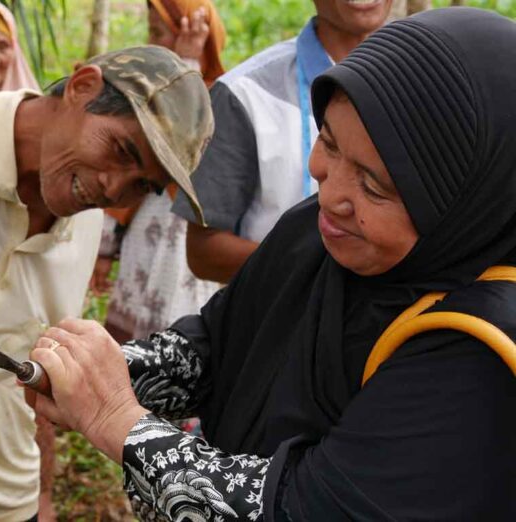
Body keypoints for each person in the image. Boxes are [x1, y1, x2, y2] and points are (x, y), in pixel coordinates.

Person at [28, 8, 516, 520]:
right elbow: (222, 342)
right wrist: (103, 372)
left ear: (464, 206)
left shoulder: (476, 353)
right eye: (328, 141)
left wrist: (116, 417)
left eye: (373, 185)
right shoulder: (324, 234)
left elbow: (298, 509)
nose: (330, 192)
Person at [0, 46, 213, 521]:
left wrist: (41, 496)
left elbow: (34, 380)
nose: (114, 189)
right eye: (121, 150)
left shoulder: (86, 225)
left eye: (143, 186)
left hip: (5, 503)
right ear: (81, 87)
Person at [172, 0, 391, 284]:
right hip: (281, 320)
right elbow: (205, 251)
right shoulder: (246, 94)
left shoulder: (425, 82)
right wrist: (319, 269)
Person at [93, 0, 226, 343]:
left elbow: (189, 142)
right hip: (147, 229)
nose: (153, 43)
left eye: (159, 32)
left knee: (179, 331)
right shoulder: (144, 96)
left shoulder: (225, 95)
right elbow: (122, 167)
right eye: (150, 31)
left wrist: (186, 66)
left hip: (187, 237)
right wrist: (105, 250)